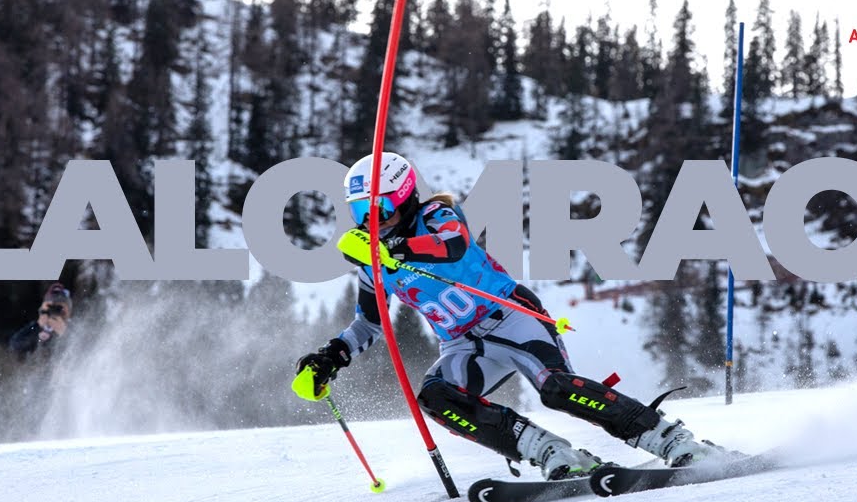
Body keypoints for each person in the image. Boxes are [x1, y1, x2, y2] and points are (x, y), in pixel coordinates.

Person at [293, 152, 735, 481]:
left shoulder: (436, 216)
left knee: (556, 388)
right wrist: (331, 357)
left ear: (405, 197)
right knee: (436, 396)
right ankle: (551, 452)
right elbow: (370, 323)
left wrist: (392, 250)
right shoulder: (371, 259)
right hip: (463, 345)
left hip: (512, 317)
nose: (373, 222)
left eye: (380, 210)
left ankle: (671, 440)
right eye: (360, 214)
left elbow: (454, 247)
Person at [8, 283, 72, 357]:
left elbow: (83, 354)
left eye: (59, 308)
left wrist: (64, 335)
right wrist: (37, 335)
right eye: (51, 307)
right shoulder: (36, 326)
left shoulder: (75, 328)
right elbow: (14, 344)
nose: (54, 311)